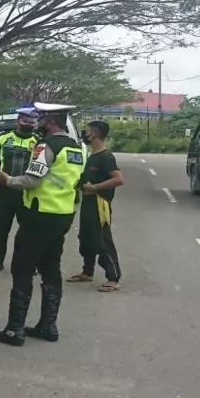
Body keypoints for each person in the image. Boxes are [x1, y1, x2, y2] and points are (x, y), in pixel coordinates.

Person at [0, 105, 84, 346]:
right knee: (51, 268)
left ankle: (14, 330)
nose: (37, 121)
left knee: (22, 269)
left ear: (51, 120)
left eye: (41, 117)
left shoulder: (45, 146)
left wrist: (6, 180)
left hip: (39, 214)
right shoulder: (76, 148)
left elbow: (31, 180)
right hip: (63, 215)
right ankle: (48, 326)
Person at [0, 108, 39, 273]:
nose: (29, 124)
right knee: (1, 229)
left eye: (33, 122)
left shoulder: (38, 141)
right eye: (26, 121)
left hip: (26, 192)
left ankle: (28, 263)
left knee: (28, 231)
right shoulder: (3, 138)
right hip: (3, 191)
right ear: (19, 120)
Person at [70, 120, 124, 292]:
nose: (84, 134)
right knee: (85, 238)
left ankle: (113, 278)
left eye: (86, 131)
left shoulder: (106, 157)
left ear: (94, 134)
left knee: (102, 240)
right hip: (88, 204)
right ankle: (87, 272)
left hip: (100, 205)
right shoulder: (92, 155)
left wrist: (95, 188)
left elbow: (118, 179)